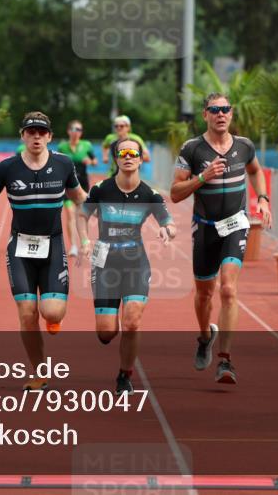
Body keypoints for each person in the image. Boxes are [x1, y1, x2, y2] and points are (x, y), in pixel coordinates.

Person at [0, 112, 87, 390]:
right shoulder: (8, 168)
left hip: (54, 244)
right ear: (23, 136)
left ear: (49, 136)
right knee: (27, 313)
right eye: (31, 132)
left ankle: (53, 316)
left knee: (51, 312)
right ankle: (39, 372)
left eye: (41, 132)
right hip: (20, 246)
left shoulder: (63, 164)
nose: (36, 136)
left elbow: (80, 198)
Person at [170, 93, 272, 385]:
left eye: (225, 109)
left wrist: (263, 198)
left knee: (228, 289)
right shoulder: (192, 149)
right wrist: (203, 177)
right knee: (204, 294)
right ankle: (205, 337)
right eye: (214, 110)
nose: (221, 114)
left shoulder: (244, 146)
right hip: (204, 228)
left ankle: (225, 361)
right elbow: (175, 193)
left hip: (235, 225)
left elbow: (255, 171)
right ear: (205, 115)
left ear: (231, 113)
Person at [77, 138, 176, 394]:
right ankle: (111, 320)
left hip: (135, 262)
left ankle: (124, 375)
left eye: (134, 152)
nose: (129, 156)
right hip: (104, 262)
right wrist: (85, 240)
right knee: (107, 333)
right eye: (123, 153)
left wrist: (167, 230)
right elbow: (82, 215)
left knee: (132, 321)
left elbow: (169, 221)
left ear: (141, 158)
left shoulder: (149, 194)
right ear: (116, 159)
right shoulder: (101, 189)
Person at [57, 119, 97, 259]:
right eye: (74, 129)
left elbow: (95, 161)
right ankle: (73, 245)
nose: (76, 132)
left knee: (81, 214)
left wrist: (90, 161)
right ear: (69, 131)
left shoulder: (86, 145)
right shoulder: (62, 147)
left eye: (79, 129)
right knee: (69, 213)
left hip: (82, 184)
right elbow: (57, 162)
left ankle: (84, 242)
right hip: (67, 184)